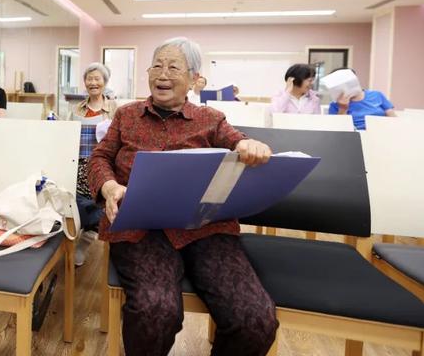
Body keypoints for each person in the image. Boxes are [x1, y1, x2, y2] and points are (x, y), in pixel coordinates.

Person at [89, 37, 278, 356]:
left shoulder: (211, 119)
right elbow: (99, 157)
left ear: (194, 79)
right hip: (140, 228)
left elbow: (238, 141)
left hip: (206, 228)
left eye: (174, 67)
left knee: (254, 320)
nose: (163, 74)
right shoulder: (126, 115)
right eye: (157, 66)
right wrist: (109, 186)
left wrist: (249, 146)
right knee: (155, 313)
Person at [67, 63, 118, 266]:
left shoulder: (114, 108)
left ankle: (85, 243)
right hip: (77, 163)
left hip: (102, 164)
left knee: (100, 206)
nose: (93, 83)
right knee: (75, 203)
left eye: (97, 79)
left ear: (105, 82)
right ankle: (75, 235)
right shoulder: (76, 108)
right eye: (89, 79)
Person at [328, 69, 396, 130]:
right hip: (354, 136)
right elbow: (338, 128)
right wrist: (343, 108)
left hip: (381, 132)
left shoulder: (377, 95)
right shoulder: (335, 105)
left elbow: (392, 118)